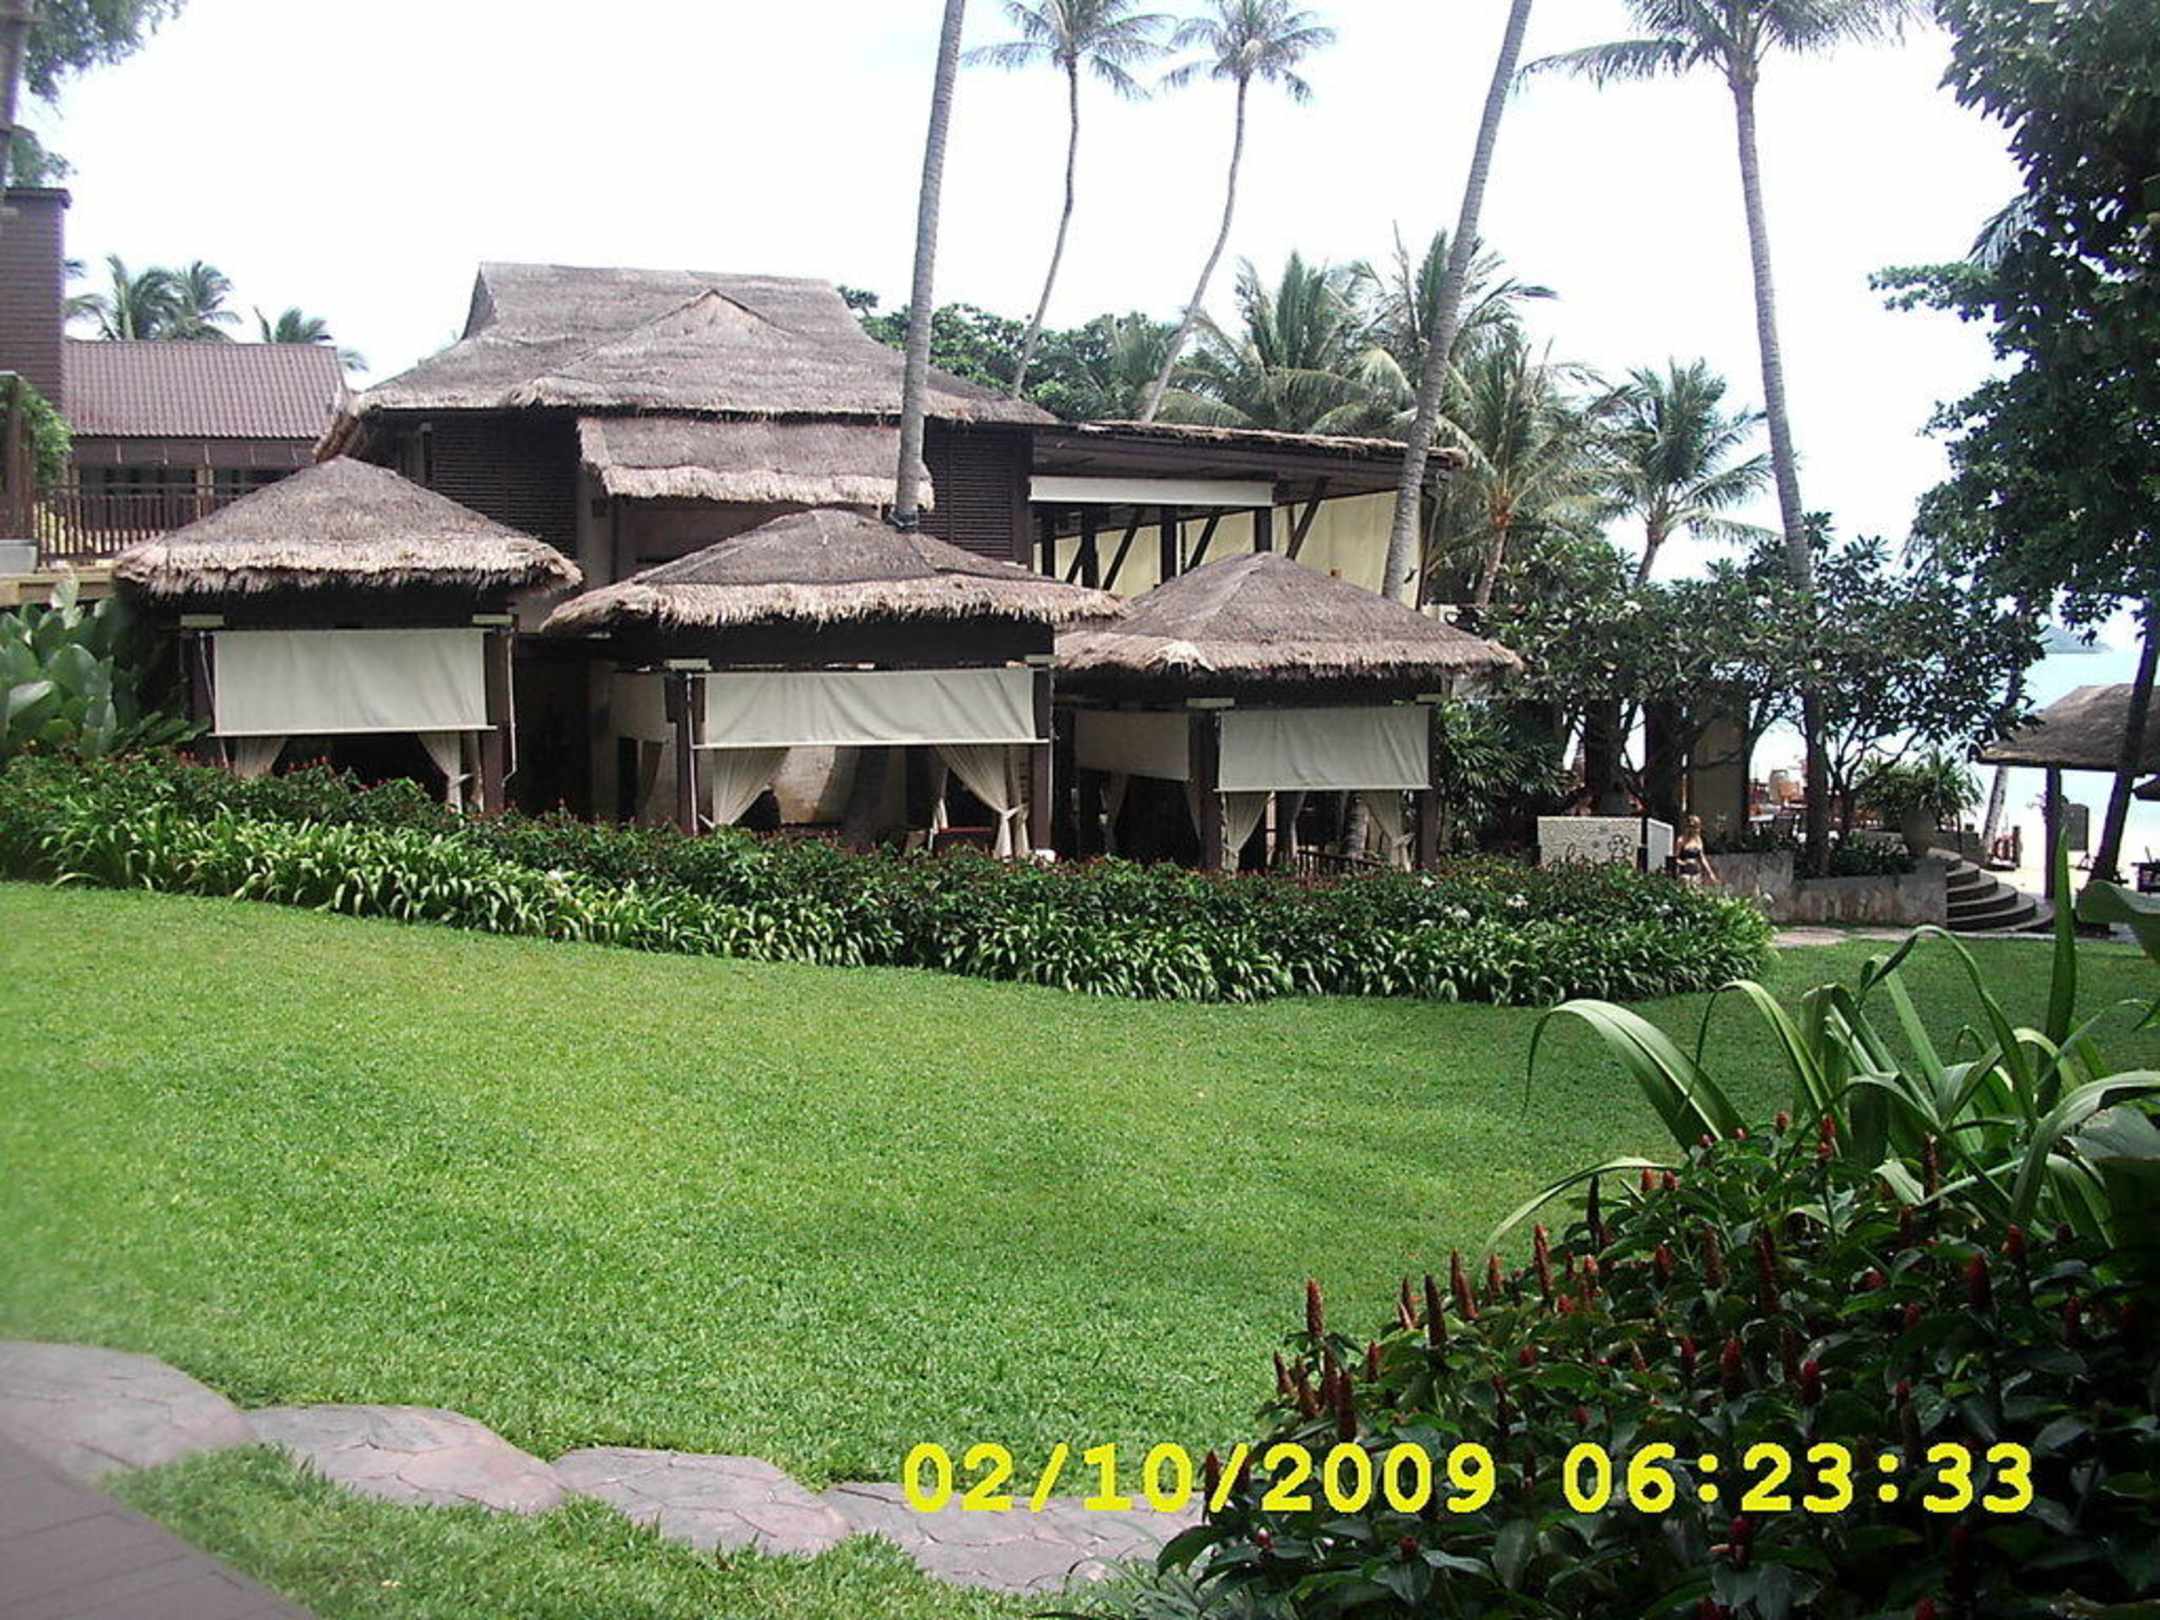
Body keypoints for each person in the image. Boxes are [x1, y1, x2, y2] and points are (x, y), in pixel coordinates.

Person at [1674, 814, 1718, 885]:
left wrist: (1710, 873)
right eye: (1692, 827)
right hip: (1684, 873)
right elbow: (1675, 858)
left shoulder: (1698, 840)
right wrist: (1684, 863)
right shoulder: (1681, 840)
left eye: (1697, 827)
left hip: (1696, 873)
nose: (1695, 830)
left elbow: (1702, 858)